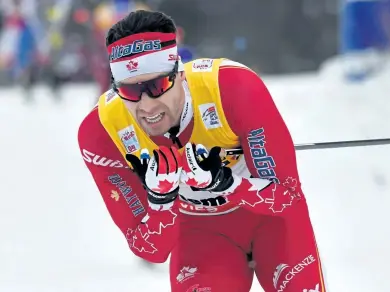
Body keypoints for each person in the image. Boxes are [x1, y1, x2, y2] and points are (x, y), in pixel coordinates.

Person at [78, 10, 326, 292]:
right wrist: (162, 201)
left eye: (157, 86)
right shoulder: (102, 132)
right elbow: (151, 250)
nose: (146, 106)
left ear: (180, 75)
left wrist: (225, 182)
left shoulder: (231, 89)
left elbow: (289, 199)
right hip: (201, 234)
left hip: (270, 222)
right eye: (130, 92)